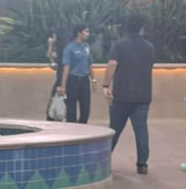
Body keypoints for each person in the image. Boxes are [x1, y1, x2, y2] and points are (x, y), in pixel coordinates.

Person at [103, 15, 156, 174]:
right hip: (143, 96)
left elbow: (112, 64)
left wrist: (106, 85)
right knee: (141, 130)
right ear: (141, 29)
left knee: (114, 129)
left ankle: (103, 159)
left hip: (121, 95)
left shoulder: (119, 45)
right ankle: (142, 164)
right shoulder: (150, 47)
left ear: (126, 28)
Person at [56, 24, 94, 123]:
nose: (88, 34)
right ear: (79, 33)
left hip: (85, 80)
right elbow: (66, 67)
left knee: (86, 108)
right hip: (73, 80)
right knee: (71, 109)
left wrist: (93, 80)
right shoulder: (69, 48)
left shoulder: (87, 46)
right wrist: (63, 86)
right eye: (86, 31)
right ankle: (72, 132)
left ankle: (83, 129)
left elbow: (90, 63)